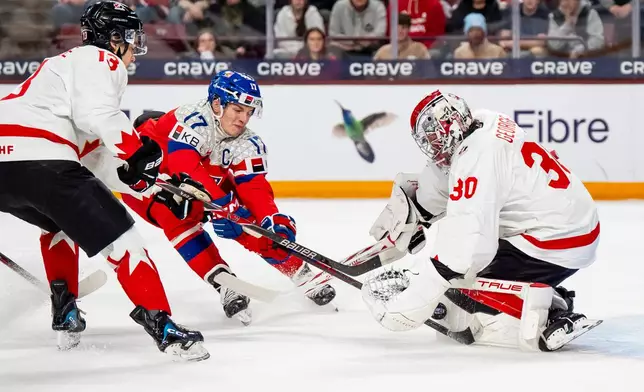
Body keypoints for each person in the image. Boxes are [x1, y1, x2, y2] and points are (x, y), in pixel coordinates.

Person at [0, 1, 208, 361]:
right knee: (124, 239)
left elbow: (96, 159)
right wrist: (138, 153)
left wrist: (149, 185)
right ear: (114, 39)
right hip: (44, 161)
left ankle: (64, 309)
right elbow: (98, 115)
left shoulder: (57, 74)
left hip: (10, 165)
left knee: (58, 223)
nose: (133, 49)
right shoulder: (101, 60)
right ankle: (164, 326)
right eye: (130, 38)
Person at [90, 70, 337, 326]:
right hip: (153, 179)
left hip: (200, 176)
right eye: (238, 109)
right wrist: (222, 207)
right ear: (217, 103)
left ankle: (299, 271)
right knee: (178, 215)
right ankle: (225, 285)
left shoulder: (248, 142)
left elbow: (253, 186)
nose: (244, 118)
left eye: (249, 112)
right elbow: (183, 164)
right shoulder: (192, 117)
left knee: (245, 220)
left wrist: (269, 217)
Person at [360, 90, 600, 351]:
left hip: (554, 242)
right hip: (569, 225)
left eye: (433, 138)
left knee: (465, 309)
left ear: (448, 130)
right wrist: (416, 206)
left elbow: (468, 245)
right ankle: (539, 294)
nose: (432, 146)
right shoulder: (486, 123)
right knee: (459, 286)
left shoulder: (477, 157)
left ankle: (548, 312)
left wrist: (416, 300)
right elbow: (450, 177)